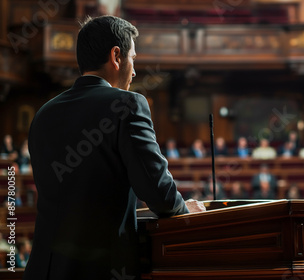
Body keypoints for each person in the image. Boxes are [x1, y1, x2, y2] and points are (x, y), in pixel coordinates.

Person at [24, 16, 205, 280]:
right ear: (116, 56)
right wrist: (185, 211)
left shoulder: (43, 113)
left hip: (43, 270)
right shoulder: (127, 105)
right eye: (133, 58)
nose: (133, 71)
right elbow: (159, 193)